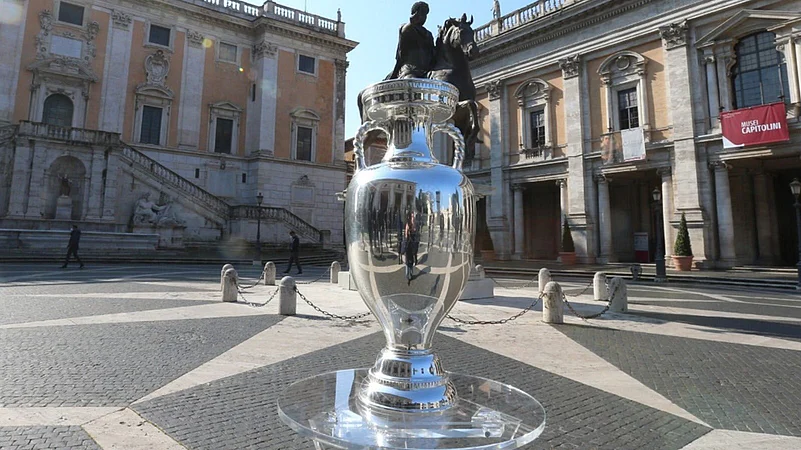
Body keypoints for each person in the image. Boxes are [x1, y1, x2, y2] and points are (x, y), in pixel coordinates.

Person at [386, 1, 435, 80]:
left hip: (427, 70)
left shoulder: (429, 34)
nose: (424, 17)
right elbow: (404, 30)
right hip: (410, 69)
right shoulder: (407, 27)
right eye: (422, 13)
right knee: (411, 80)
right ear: (414, 13)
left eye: (425, 14)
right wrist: (412, 22)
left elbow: (433, 52)